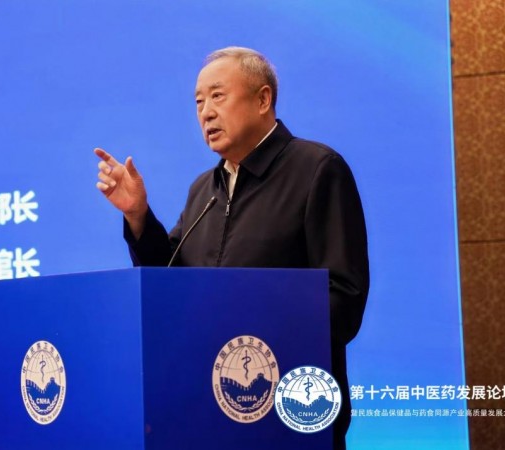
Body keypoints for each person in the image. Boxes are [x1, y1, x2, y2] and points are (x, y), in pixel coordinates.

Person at [94, 46, 369, 449]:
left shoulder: (317, 170)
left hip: (288, 416)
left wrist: (252, 324)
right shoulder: (204, 189)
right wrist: (138, 215)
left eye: (218, 96)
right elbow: (170, 282)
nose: (205, 112)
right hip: (207, 413)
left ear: (263, 99)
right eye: (198, 102)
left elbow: (344, 297)